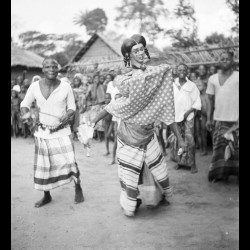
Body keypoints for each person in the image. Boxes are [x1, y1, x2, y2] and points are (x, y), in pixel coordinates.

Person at [90, 34, 187, 217]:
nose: (141, 53)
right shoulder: (125, 80)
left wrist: (180, 139)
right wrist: (92, 122)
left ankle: (155, 198)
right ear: (128, 55)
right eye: (136, 51)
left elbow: (167, 110)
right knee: (129, 173)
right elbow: (114, 106)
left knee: (155, 168)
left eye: (142, 49)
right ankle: (131, 202)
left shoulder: (155, 76)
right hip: (128, 134)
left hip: (148, 133)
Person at [20, 58, 84, 208]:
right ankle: (46, 195)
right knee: (44, 165)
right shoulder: (35, 86)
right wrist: (27, 115)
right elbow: (25, 104)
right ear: (42, 69)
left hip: (62, 132)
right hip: (43, 133)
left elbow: (72, 107)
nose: (51, 69)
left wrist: (68, 115)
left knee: (70, 161)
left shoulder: (66, 86)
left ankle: (78, 187)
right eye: (47, 66)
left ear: (58, 69)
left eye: (54, 66)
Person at [206, 51, 239, 182]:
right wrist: (208, 119)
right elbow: (210, 100)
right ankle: (219, 175)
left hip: (236, 120)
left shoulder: (238, 76)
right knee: (219, 150)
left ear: (233, 61)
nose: (225, 60)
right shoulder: (212, 78)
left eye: (227, 59)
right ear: (219, 61)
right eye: (222, 59)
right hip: (219, 120)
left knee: (237, 150)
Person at [169, 63, 201, 174]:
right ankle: (180, 162)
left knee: (190, 141)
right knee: (178, 140)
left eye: (184, 69)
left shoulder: (192, 85)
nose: (182, 71)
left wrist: (188, 112)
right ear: (176, 71)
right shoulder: (172, 84)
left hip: (188, 117)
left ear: (187, 71)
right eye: (179, 69)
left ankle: (193, 164)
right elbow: (169, 101)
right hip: (176, 117)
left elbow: (197, 101)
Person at [196, 78, 208, 156]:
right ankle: (203, 149)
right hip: (201, 116)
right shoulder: (198, 96)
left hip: (209, 116)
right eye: (197, 86)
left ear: (204, 87)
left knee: (211, 133)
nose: (198, 87)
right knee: (202, 133)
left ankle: (214, 150)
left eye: (199, 85)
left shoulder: (208, 95)